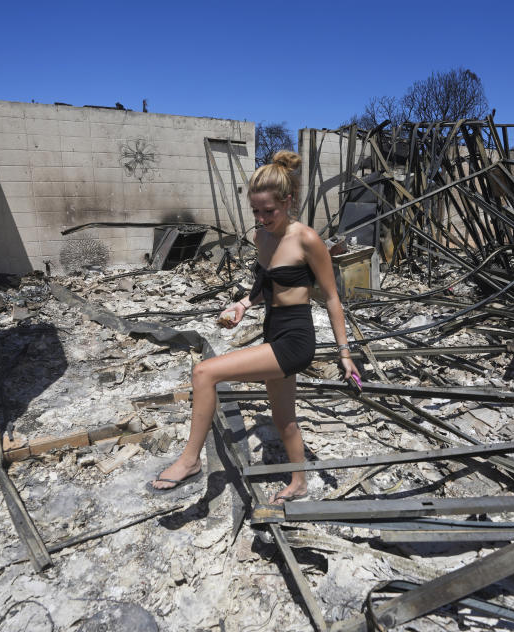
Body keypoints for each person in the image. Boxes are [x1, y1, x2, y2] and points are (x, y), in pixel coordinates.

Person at [150, 150, 360, 504]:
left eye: (269, 211)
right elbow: (267, 285)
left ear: (288, 202)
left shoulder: (306, 239)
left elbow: (332, 298)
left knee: (205, 373)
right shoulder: (262, 239)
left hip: (295, 339)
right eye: (256, 212)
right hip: (272, 329)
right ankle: (299, 483)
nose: (262, 219)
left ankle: (189, 462)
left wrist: (345, 353)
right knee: (283, 419)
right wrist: (243, 304)